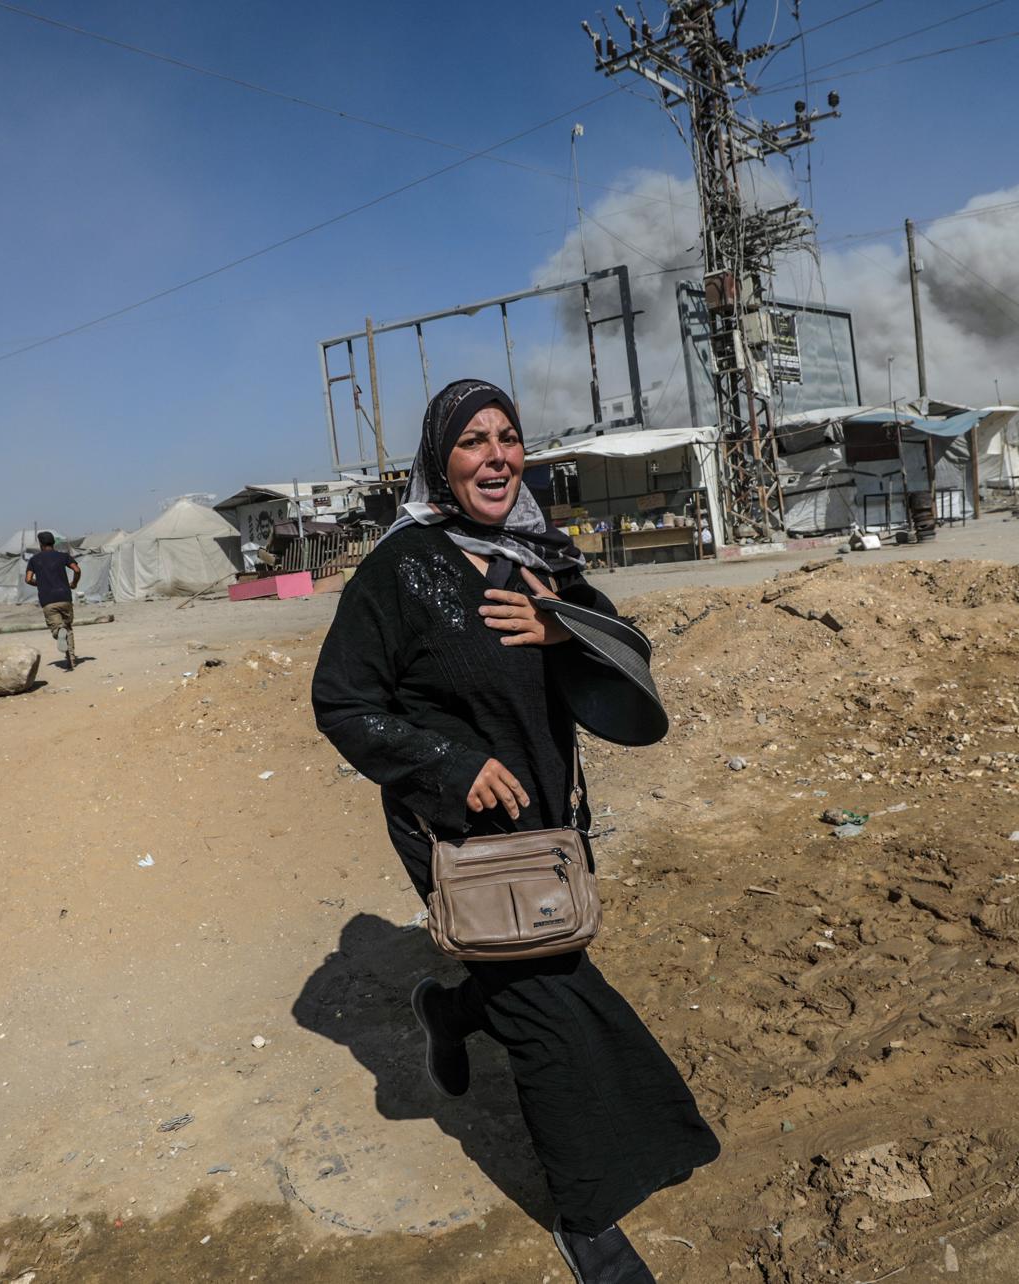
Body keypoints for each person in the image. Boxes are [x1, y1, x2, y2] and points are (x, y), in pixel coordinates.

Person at [312, 379, 719, 1284]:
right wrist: (449, 770)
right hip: (454, 831)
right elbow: (342, 701)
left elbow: (623, 648)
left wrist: (558, 626)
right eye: (472, 442)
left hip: (546, 820)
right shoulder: (401, 570)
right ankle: (589, 1221)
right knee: (547, 1010)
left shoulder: (540, 555)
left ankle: (449, 1010)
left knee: (533, 961)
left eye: (509, 438)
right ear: (438, 462)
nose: (496, 456)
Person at [22, 531, 80, 667]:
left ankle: (58, 631)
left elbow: (28, 579)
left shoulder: (34, 560)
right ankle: (71, 658)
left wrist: (40, 583)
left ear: (41, 544)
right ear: (53, 543)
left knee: (58, 629)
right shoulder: (63, 556)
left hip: (48, 600)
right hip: (65, 597)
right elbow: (76, 570)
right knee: (68, 628)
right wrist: (74, 583)